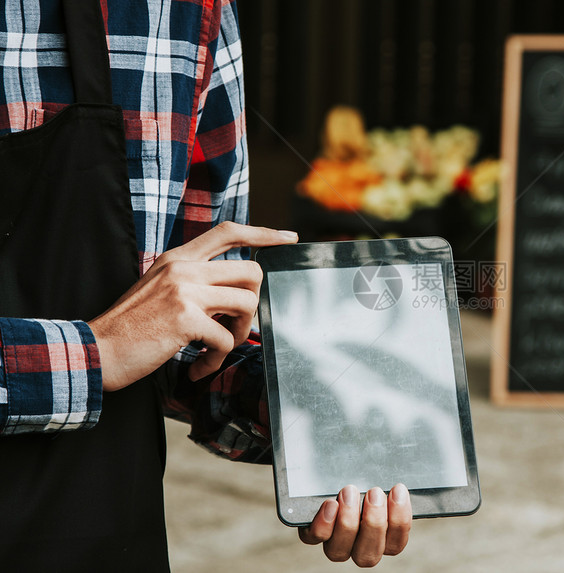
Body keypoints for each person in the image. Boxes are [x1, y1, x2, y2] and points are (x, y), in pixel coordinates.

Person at [0, 0, 411, 570]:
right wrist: (95, 354)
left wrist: (319, 418)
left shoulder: (183, 15)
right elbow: (124, 346)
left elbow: (193, 350)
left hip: (105, 541)